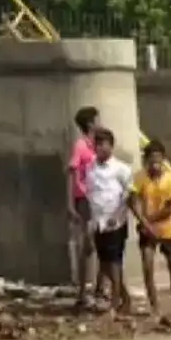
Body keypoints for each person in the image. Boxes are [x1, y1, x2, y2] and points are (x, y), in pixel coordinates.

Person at [131, 139, 171, 326]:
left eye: (158, 159)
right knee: (147, 266)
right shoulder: (140, 177)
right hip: (147, 230)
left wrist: (148, 221)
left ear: (163, 159)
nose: (155, 163)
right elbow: (133, 201)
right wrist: (144, 223)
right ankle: (156, 308)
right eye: (152, 159)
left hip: (167, 229)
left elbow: (170, 208)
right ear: (146, 160)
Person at [85, 128, 134, 316]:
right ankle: (125, 297)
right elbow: (91, 194)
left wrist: (118, 214)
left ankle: (115, 301)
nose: (99, 148)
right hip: (98, 222)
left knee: (114, 262)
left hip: (115, 221)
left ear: (111, 146)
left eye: (102, 144)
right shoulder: (91, 168)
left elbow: (128, 195)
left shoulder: (121, 169)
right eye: (96, 144)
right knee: (105, 263)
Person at [68, 106, 99, 310]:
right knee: (86, 246)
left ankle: (98, 288)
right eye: (97, 120)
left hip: (99, 199)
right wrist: (70, 204)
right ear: (90, 124)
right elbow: (71, 172)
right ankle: (82, 291)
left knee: (99, 244)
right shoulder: (80, 146)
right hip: (85, 199)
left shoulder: (97, 145)